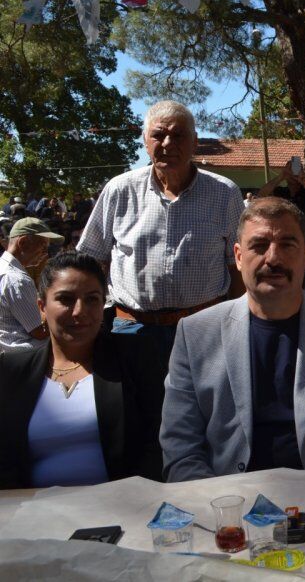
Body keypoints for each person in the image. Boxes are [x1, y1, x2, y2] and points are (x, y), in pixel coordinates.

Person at [160, 198, 305, 481]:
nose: (273, 259)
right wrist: (216, 503)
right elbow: (181, 447)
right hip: (225, 496)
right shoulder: (195, 334)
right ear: (238, 256)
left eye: (287, 245)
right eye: (259, 245)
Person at [77, 101, 245, 372]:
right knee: (133, 399)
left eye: (178, 135)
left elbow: (237, 267)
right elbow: (92, 260)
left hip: (205, 328)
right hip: (129, 330)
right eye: (158, 135)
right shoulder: (119, 190)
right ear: (145, 141)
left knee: (203, 398)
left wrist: (237, 324)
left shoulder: (224, 193)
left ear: (194, 142)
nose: (168, 143)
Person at [0, 252, 163, 489]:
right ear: (42, 307)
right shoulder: (12, 371)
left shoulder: (135, 358)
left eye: (92, 299)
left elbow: (156, 442)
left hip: (123, 505)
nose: (79, 311)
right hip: (33, 508)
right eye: (65, 299)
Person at [1, 218, 62, 352]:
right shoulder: (17, 280)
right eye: (43, 247)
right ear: (22, 242)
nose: (45, 254)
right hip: (25, 353)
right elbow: (40, 332)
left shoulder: (4, 267)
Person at [258, 159, 305, 236]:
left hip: (302, 239)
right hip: (281, 237)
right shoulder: (280, 192)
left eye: (296, 171)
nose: (293, 175)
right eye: (290, 171)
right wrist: (280, 177)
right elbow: (261, 195)